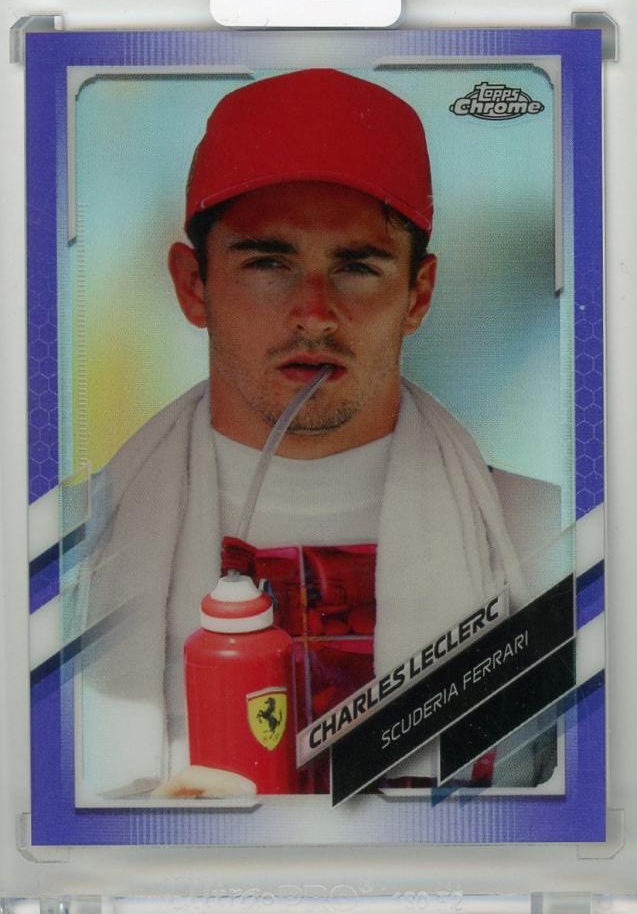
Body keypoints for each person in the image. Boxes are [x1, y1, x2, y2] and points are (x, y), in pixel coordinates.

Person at [71, 69, 566, 798]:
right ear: (192, 284)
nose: (313, 313)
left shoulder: (548, 540)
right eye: (268, 263)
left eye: (357, 266)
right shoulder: (69, 555)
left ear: (418, 293)